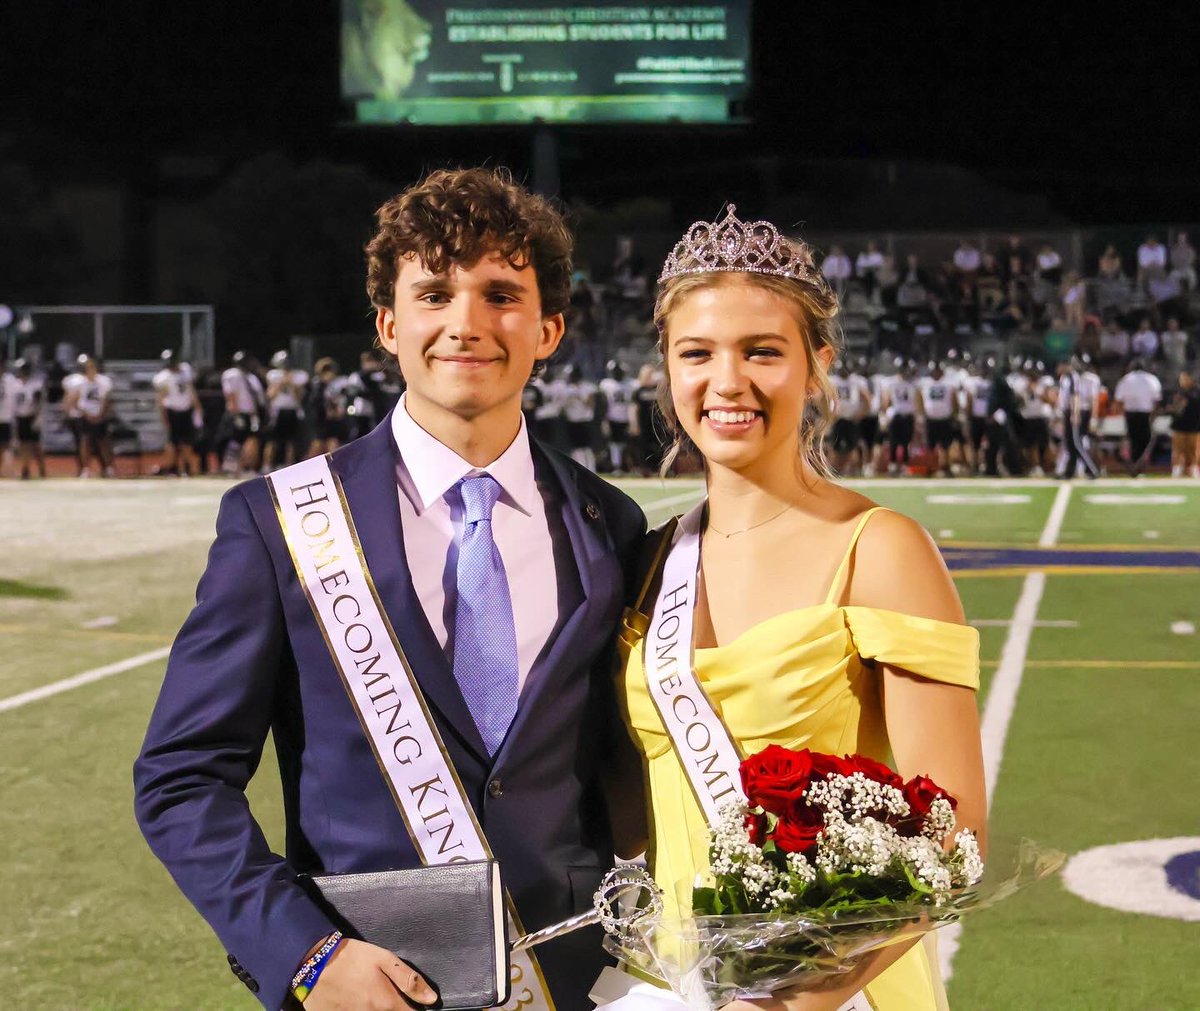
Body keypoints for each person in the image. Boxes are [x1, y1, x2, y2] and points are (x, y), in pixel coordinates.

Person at [134, 167, 646, 1011]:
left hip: (578, 986)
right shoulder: (281, 521)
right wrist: (306, 954)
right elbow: (181, 778)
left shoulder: (610, 524)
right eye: (434, 294)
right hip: (369, 985)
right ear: (388, 324)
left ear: (549, 328)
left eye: (500, 294)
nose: (466, 323)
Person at [615, 206, 985, 1010]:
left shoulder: (880, 548)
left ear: (817, 365)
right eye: (697, 353)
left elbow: (955, 836)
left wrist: (794, 998)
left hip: (841, 995)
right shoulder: (648, 563)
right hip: (678, 988)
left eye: (762, 351)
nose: (727, 381)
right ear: (666, 369)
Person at [152, 349, 201, 477]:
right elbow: (160, 399)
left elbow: (191, 390)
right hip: (172, 411)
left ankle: (185, 468)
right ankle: (172, 467)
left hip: (186, 410)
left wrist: (197, 408)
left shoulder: (186, 369)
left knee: (187, 442)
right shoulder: (163, 377)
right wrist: (164, 418)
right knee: (173, 442)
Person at [1113, 358, 1163, 476]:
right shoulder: (1151, 379)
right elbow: (1157, 400)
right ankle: (1138, 465)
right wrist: (1154, 416)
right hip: (1146, 414)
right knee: (1144, 440)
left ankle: (1134, 464)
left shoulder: (1126, 379)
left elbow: (1118, 400)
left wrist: (1122, 413)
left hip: (1130, 413)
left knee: (1133, 440)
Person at [1167, 371, 1200, 477]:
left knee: (1193, 449)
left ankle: (1193, 469)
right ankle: (1177, 470)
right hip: (1178, 424)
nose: (1183, 381)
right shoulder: (1176, 392)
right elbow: (1170, 408)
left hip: (1194, 425)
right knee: (1178, 449)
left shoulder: (1197, 392)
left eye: (1185, 378)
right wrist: (1176, 406)